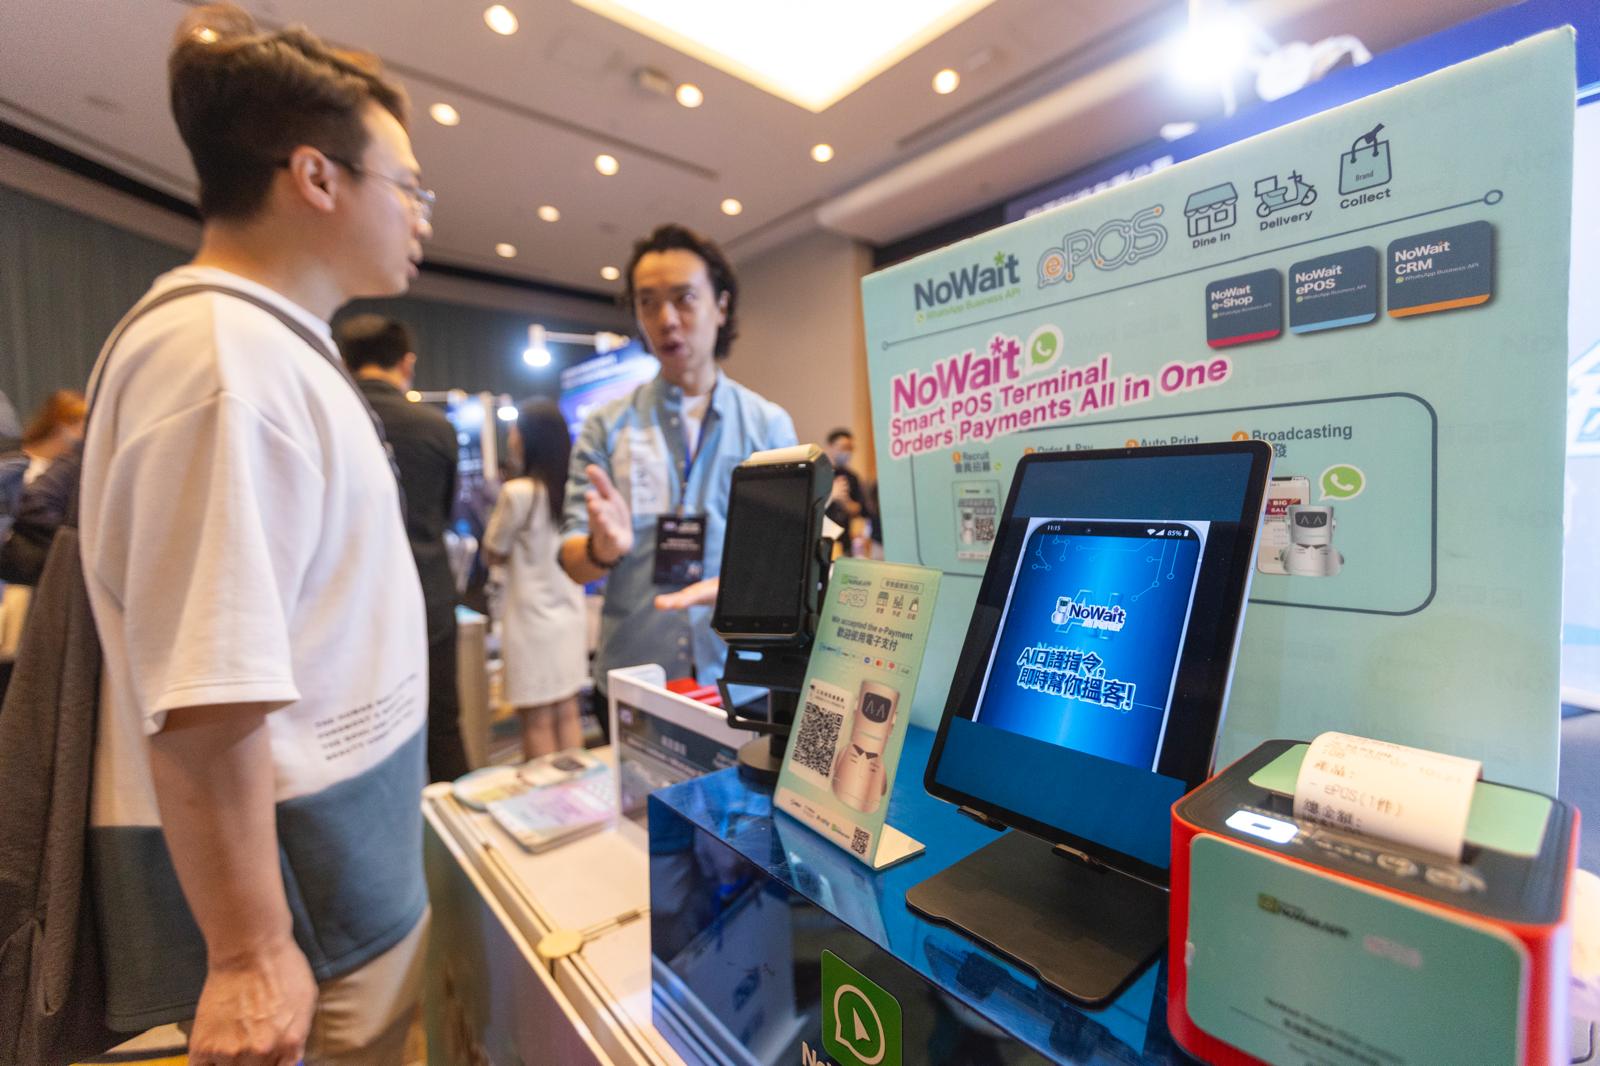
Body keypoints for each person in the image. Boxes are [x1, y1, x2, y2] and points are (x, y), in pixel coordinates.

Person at [77, 5, 433, 1062]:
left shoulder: (271, 346)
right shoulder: (223, 359)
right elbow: (209, 685)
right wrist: (249, 951)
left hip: (341, 876)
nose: (421, 215)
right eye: (408, 186)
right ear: (316, 177)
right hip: (304, 914)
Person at [559, 223, 797, 705]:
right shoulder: (607, 425)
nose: (666, 319)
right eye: (647, 302)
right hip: (635, 674)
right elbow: (573, 561)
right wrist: (602, 549)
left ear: (721, 305)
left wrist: (745, 588)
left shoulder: (767, 426)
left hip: (740, 678)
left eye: (684, 298)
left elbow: (791, 564)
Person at [336, 313, 468, 783]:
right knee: (444, 725)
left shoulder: (333, 417)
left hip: (352, 605)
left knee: (361, 738)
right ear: (407, 363)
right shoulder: (434, 426)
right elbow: (445, 512)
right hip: (428, 594)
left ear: (346, 363)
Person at [484, 399, 587, 758]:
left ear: (528, 438)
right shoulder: (571, 491)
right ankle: (577, 789)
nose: (511, 437)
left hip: (529, 621)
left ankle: (545, 793)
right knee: (567, 710)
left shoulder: (517, 492)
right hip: (569, 616)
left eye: (515, 430)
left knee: (537, 720)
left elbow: (493, 550)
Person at [822, 427, 868, 543]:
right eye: (843, 447)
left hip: (844, 539)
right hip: (822, 537)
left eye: (850, 448)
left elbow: (859, 510)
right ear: (829, 446)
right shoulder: (818, 474)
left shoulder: (851, 477)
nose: (847, 452)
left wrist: (845, 502)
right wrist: (832, 495)